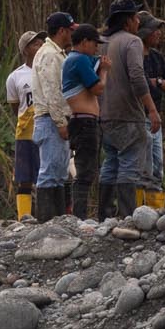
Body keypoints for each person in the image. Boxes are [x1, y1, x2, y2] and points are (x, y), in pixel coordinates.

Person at [96, 0, 151, 220]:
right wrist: (152, 109)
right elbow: (137, 77)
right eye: (136, 17)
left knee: (111, 162)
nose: (139, 21)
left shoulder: (100, 42)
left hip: (103, 113)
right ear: (128, 20)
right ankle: (127, 215)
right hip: (127, 113)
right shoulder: (132, 42)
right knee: (129, 162)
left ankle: (105, 216)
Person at [29, 10, 75, 220]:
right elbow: (52, 91)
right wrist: (60, 122)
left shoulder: (55, 53)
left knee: (58, 171)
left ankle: (56, 220)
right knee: (50, 172)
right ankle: (47, 221)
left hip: (52, 119)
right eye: (70, 31)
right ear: (62, 30)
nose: (72, 35)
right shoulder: (49, 55)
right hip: (50, 119)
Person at [59, 23, 105, 219]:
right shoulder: (79, 60)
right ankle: (80, 216)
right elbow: (97, 88)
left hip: (82, 120)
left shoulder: (73, 59)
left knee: (85, 169)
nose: (97, 48)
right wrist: (105, 71)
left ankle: (80, 215)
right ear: (85, 42)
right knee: (85, 172)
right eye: (95, 43)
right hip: (85, 122)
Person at [138, 11, 165, 211]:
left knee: (157, 168)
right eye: (154, 30)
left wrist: (160, 82)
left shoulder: (157, 57)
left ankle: (154, 213)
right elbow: (142, 85)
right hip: (140, 117)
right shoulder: (134, 56)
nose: (158, 34)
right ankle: (137, 214)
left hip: (155, 118)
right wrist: (158, 85)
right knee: (143, 169)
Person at [6, 29, 44, 219]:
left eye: (41, 43)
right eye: (35, 44)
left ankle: (52, 214)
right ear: (26, 50)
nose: (40, 46)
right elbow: (15, 106)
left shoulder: (49, 69)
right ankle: (24, 216)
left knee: (49, 174)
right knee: (24, 177)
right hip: (25, 133)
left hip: (46, 130)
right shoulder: (16, 77)